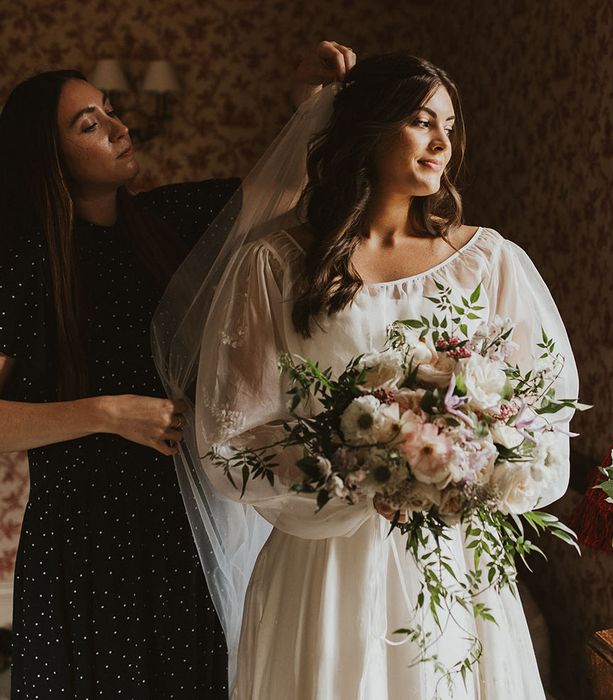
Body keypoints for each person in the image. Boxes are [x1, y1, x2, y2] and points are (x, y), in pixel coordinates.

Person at [185, 54, 578, 699]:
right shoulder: (276, 266)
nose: (444, 143)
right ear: (369, 129)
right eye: (422, 121)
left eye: (449, 124)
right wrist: (362, 465)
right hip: (325, 565)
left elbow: (545, 410)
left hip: (450, 565)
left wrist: (466, 465)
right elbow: (234, 435)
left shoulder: (489, 262)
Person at [0, 40, 356, 699]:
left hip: (187, 528)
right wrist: (106, 413)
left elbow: (280, 186)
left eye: (109, 110)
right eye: (89, 124)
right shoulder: (22, 267)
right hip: (82, 547)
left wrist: (312, 103)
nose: (118, 126)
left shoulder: (168, 222)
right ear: (47, 158)